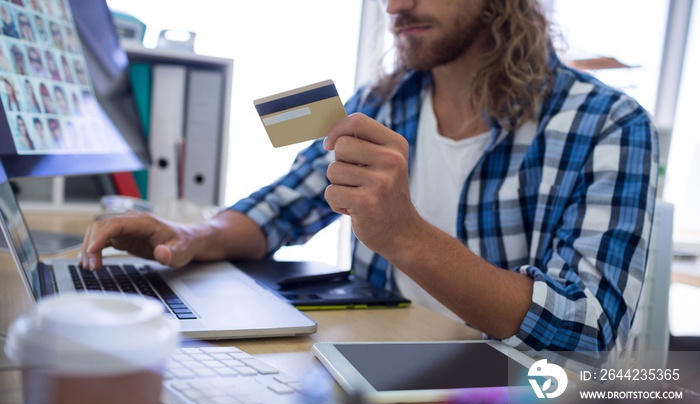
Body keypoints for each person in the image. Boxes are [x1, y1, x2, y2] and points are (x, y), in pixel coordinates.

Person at [80, 0, 658, 357]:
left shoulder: (609, 122)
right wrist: (188, 236)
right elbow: (281, 207)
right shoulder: (382, 102)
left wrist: (404, 233)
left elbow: (589, 330)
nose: (396, 5)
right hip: (385, 367)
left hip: (517, 403)